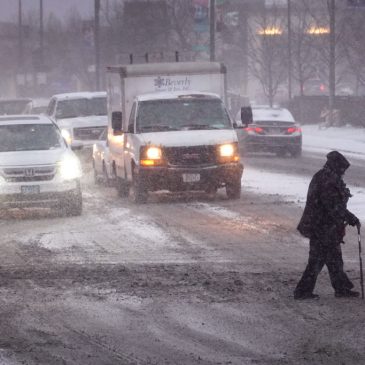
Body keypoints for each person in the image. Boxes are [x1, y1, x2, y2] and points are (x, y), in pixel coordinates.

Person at [294, 151, 361, 300]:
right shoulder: (326, 180)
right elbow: (332, 206)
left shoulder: (328, 177)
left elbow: (335, 206)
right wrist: (350, 217)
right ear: (336, 166)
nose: (343, 173)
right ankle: (302, 291)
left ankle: (341, 288)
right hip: (320, 226)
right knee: (317, 260)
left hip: (325, 226)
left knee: (334, 258)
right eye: (342, 169)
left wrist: (348, 217)